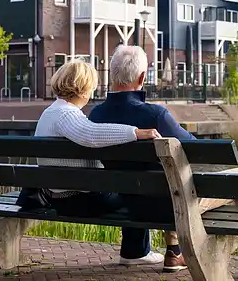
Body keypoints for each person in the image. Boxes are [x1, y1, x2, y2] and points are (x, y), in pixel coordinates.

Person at [90, 45, 238, 278]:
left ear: (112, 75)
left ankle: (174, 251)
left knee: (167, 181)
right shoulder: (155, 115)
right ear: (142, 78)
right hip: (171, 208)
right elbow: (195, 149)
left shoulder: (96, 115)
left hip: (126, 205)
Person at [34, 59, 165, 266]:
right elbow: (90, 134)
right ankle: (135, 252)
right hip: (76, 201)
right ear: (84, 89)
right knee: (136, 189)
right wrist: (135, 132)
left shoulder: (50, 112)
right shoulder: (65, 114)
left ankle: (135, 251)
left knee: (128, 187)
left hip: (56, 196)